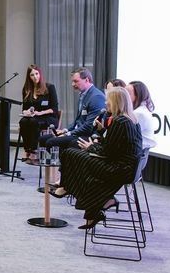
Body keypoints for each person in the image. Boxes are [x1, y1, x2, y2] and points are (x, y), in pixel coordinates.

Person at [56, 87, 144, 229]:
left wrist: (91, 147)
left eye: (108, 100)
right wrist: (102, 131)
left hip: (117, 169)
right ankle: (93, 205)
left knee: (71, 154)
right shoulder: (131, 120)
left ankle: (70, 188)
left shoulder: (120, 122)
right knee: (76, 155)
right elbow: (116, 146)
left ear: (115, 102)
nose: (106, 103)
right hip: (125, 167)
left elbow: (108, 153)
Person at [39, 67, 107, 152]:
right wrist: (65, 130)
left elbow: (89, 126)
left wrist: (68, 134)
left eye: (76, 81)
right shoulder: (83, 94)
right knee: (43, 139)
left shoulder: (96, 97)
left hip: (86, 135)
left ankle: (60, 164)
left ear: (86, 80)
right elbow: (77, 121)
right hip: (77, 132)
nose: (73, 84)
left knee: (51, 142)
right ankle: (50, 165)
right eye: (72, 81)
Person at [19, 64, 60, 163]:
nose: (35, 77)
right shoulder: (26, 90)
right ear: (29, 77)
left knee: (33, 122)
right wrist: (27, 112)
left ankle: (33, 151)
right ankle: (26, 149)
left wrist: (40, 113)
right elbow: (24, 109)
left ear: (40, 74)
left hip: (48, 117)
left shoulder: (49, 87)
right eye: (32, 75)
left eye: (37, 74)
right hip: (33, 117)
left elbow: (54, 109)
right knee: (23, 121)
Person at [128, 80, 157, 151]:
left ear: (137, 96)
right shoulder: (141, 110)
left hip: (133, 153)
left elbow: (127, 136)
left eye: (128, 93)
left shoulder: (139, 113)